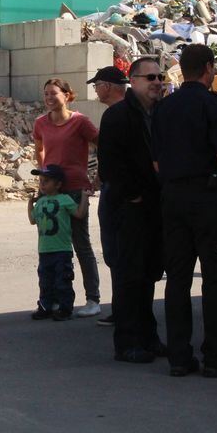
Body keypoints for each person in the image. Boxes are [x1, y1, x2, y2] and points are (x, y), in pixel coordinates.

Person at [151, 44, 217, 378]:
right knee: (216, 279)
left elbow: (157, 162)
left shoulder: (163, 108)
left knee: (177, 279)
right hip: (209, 197)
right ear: (208, 69)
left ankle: (179, 356)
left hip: (173, 198)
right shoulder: (214, 104)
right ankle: (216, 357)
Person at [97, 57, 166, 363]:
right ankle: (127, 341)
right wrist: (133, 196)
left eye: (159, 77)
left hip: (155, 206)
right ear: (133, 80)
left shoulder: (160, 114)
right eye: (149, 77)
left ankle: (148, 336)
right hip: (129, 209)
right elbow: (110, 165)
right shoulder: (119, 116)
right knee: (130, 275)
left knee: (149, 274)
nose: (156, 82)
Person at [33, 78, 102, 317]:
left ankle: (93, 298)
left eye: (54, 93)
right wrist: (43, 177)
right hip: (51, 192)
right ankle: (51, 299)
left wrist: (98, 178)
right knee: (50, 247)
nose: (49, 98)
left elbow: (102, 144)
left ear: (67, 95)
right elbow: (39, 147)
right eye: (46, 94)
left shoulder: (80, 122)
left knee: (80, 244)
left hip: (74, 189)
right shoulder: (41, 123)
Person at [88, 65, 129, 327]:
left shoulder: (118, 115)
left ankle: (123, 308)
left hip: (119, 192)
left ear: (108, 87)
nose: (95, 90)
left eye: (97, 85)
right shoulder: (124, 113)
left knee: (118, 251)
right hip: (115, 188)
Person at [28, 164, 89, 321]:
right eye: (41, 180)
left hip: (62, 249)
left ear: (58, 184)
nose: (42, 184)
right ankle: (45, 306)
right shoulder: (40, 202)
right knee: (45, 281)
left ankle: (65, 308)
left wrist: (84, 197)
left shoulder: (65, 199)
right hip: (44, 249)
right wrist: (30, 205)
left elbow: (80, 214)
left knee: (63, 280)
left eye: (46, 181)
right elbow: (32, 220)